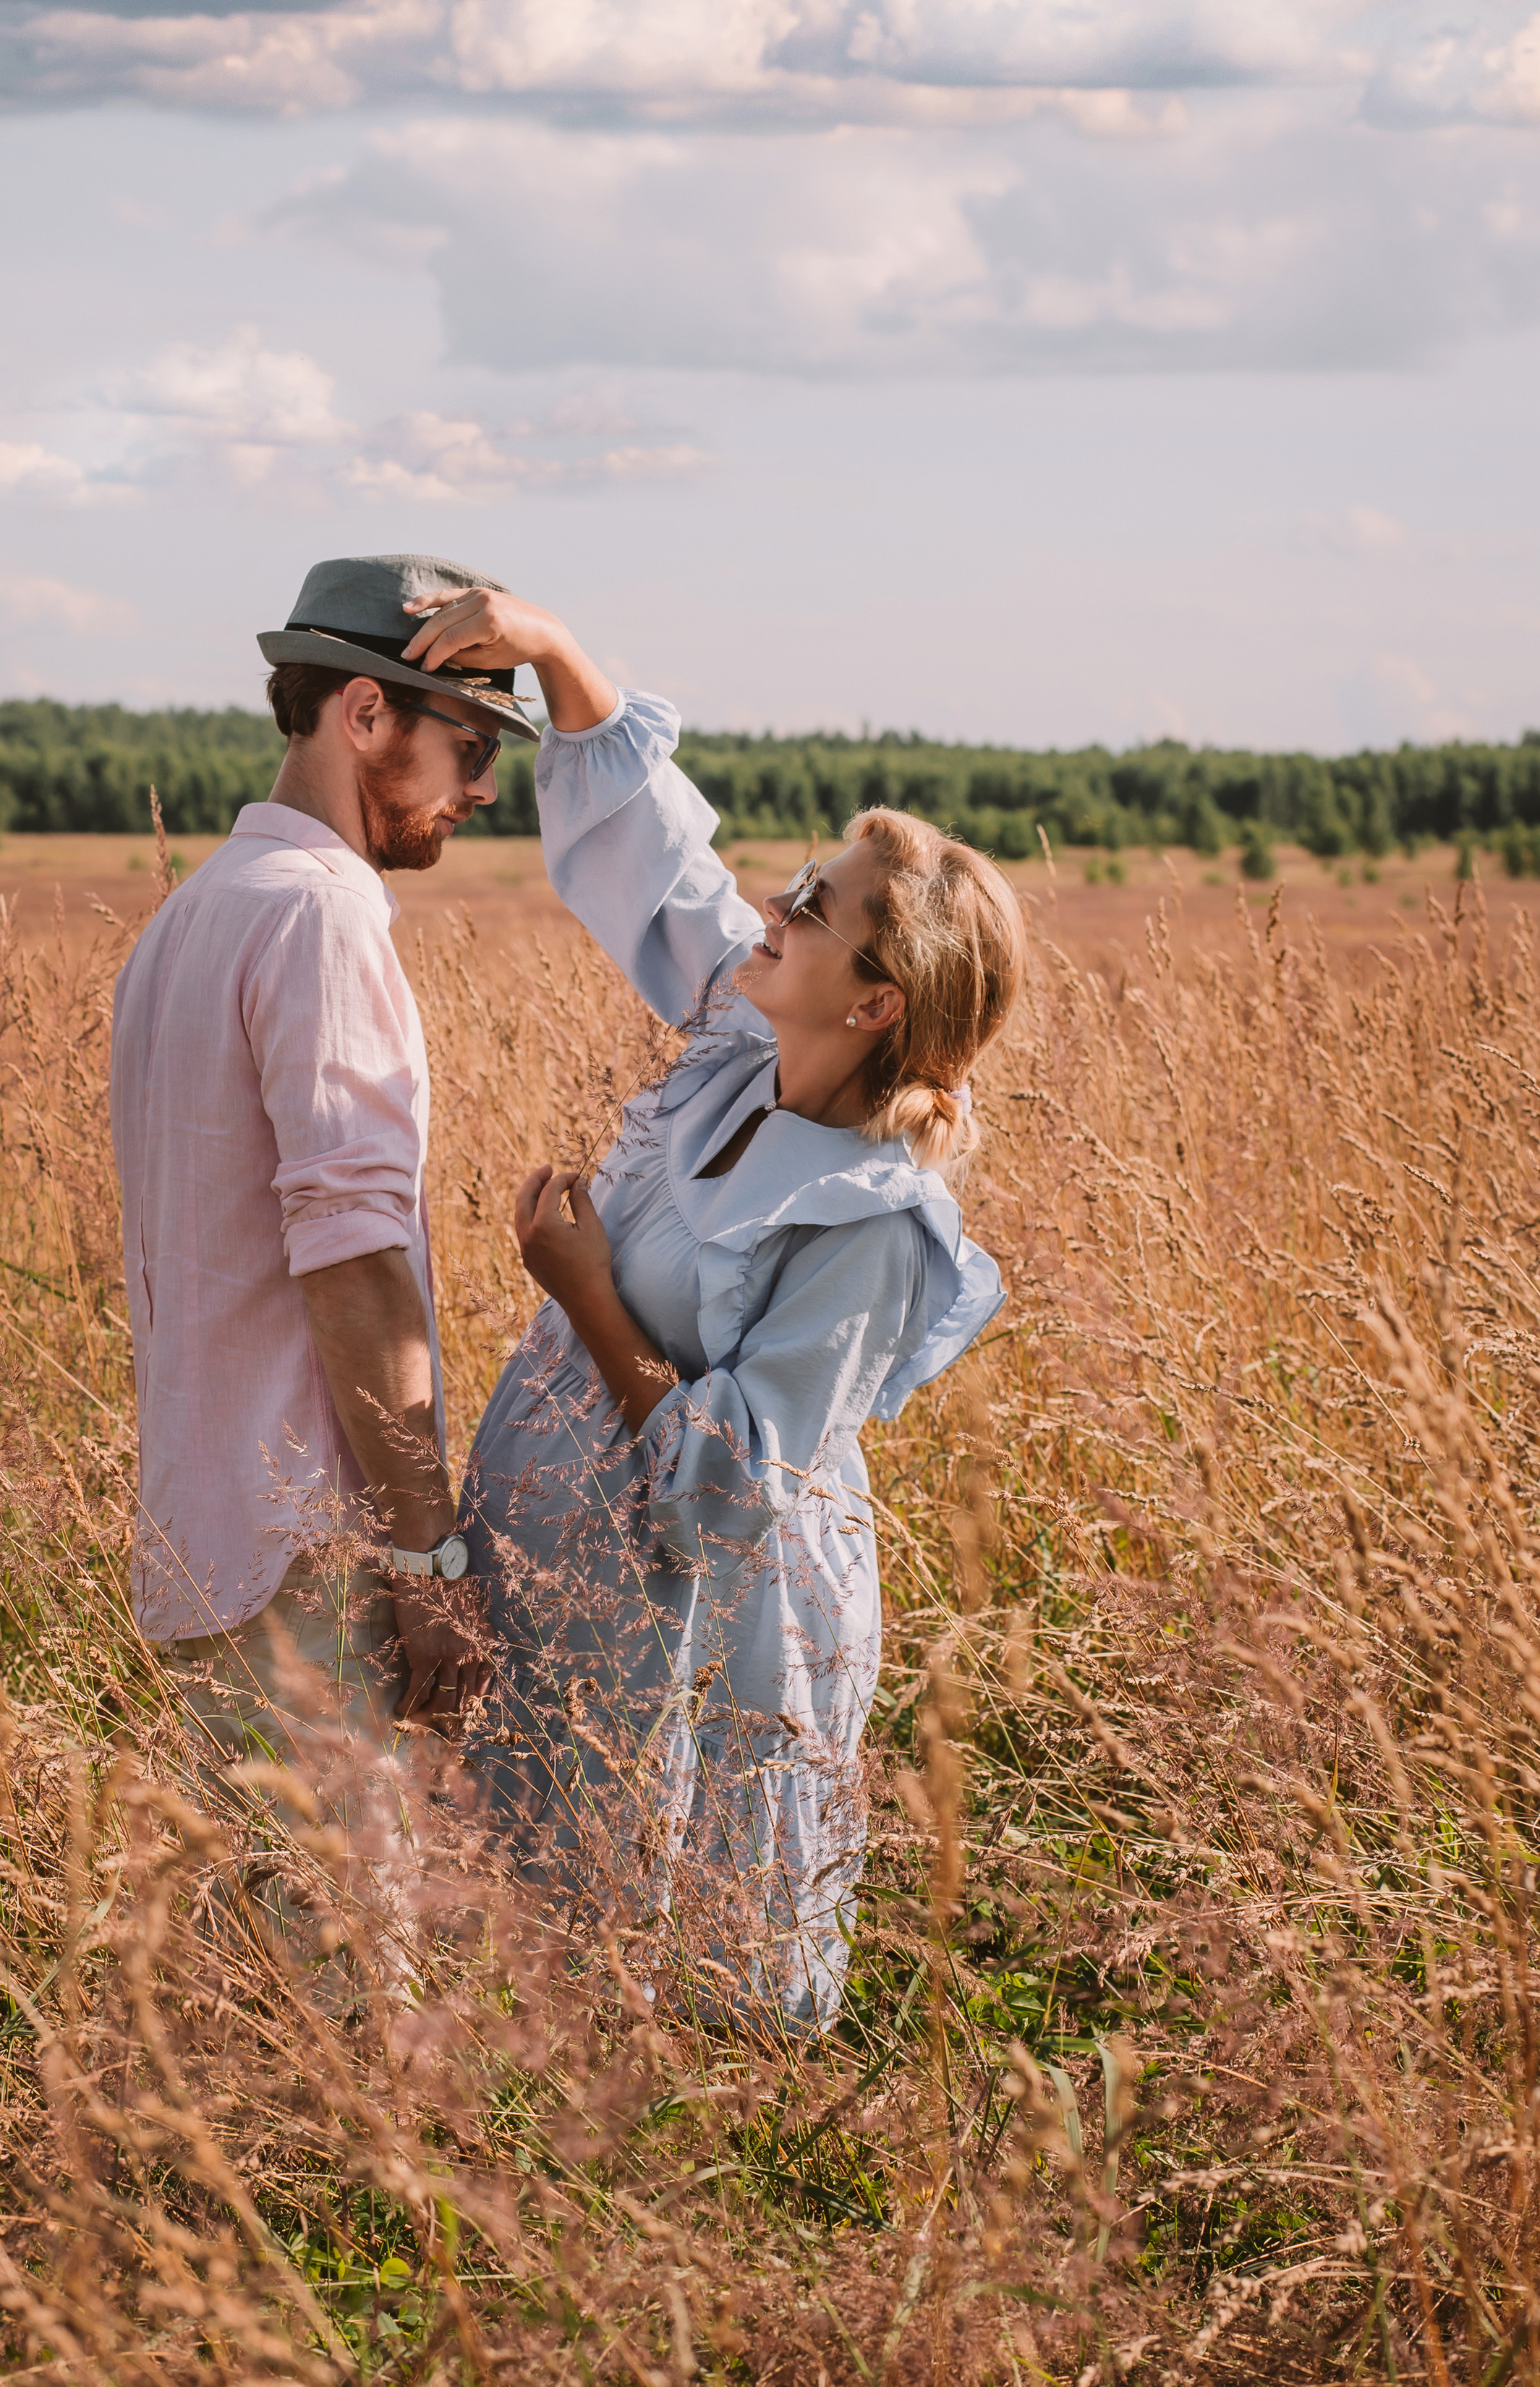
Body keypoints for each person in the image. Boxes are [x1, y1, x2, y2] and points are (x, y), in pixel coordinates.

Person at [393, 581, 1025, 2031]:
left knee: (662, 1967)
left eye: (814, 912)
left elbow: (733, 1491)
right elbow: (657, 860)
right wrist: (548, 646)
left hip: (699, 1623)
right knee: (529, 1945)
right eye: (795, 887)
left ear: (874, 1003)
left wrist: (587, 1297)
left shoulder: (869, 1221)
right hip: (568, 1573)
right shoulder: (745, 1037)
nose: (774, 910)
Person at [109, 553, 536, 1944]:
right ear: (365, 714)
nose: (481, 787)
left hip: (202, 1536)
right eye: (467, 745)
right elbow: (351, 1263)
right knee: (344, 2027)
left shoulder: (193, 915)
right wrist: (429, 1562)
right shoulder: (322, 914)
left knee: (257, 2018)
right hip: (303, 1556)